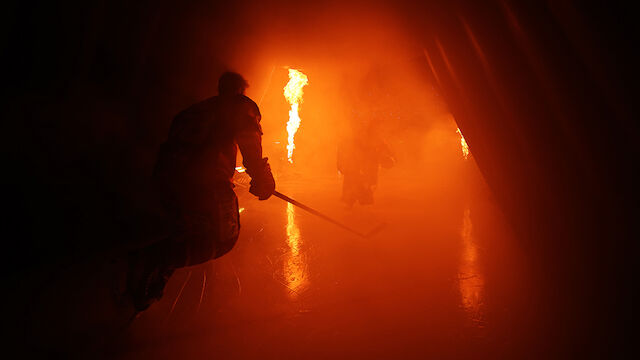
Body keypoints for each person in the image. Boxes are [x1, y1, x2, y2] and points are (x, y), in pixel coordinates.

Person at [126, 72, 275, 312]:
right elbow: (248, 134)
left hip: (166, 179)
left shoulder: (194, 111)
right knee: (223, 236)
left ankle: (145, 276)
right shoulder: (239, 106)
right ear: (240, 90)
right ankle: (154, 261)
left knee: (185, 229)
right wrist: (262, 178)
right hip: (205, 182)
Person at [337, 118, 395, 208]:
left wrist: (387, 157)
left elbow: (382, 148)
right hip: (357, 165)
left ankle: (356, 199)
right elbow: (348, 148)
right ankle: (350, 200)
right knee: (355, 183)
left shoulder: (375, 138)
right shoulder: (357, 138)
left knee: (364, 184)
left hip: (366, 166)